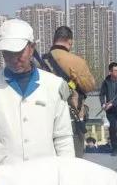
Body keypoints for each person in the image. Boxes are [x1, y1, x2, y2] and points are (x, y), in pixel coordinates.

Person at [0, 18, 72, 175]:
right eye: (8, 53)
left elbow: (63, 137)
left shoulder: (54, 85)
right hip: (2, 177)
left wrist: (68, 174)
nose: (14, 59)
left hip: (44, 176)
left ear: (32, 48)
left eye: (19, 52)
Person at [41, 25, 97, 157]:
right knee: (74, 158)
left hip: (46, 116)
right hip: (72, 116)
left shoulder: (40, 62)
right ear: (70, 41)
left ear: (54, 40)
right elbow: (90, 86)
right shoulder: (77, 61)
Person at [99, 62, 117, 156]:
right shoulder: (106, 82)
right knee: (112, 128)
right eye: (115, 70)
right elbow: (101, 94)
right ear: (110, 72)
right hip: (110, 111)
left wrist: (113, 103)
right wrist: (103, 104)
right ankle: (114, 149)